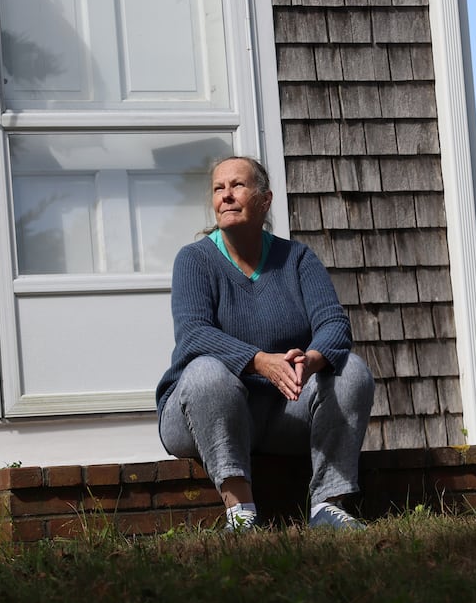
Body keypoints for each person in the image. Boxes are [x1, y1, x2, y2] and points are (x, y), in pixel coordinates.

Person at [155, 156, 374, 531]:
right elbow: (194, 334)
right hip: (200, 411)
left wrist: (312, 359)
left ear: (264, 199)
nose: (226, 196)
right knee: (207, 370)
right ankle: (241, 513)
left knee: (350, 369)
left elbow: (334, 323)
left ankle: (328, 506)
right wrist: (259, 361)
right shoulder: (194, 260)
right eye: (218, 188)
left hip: (279, 414)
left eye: (237, 186)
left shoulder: (298, 258)